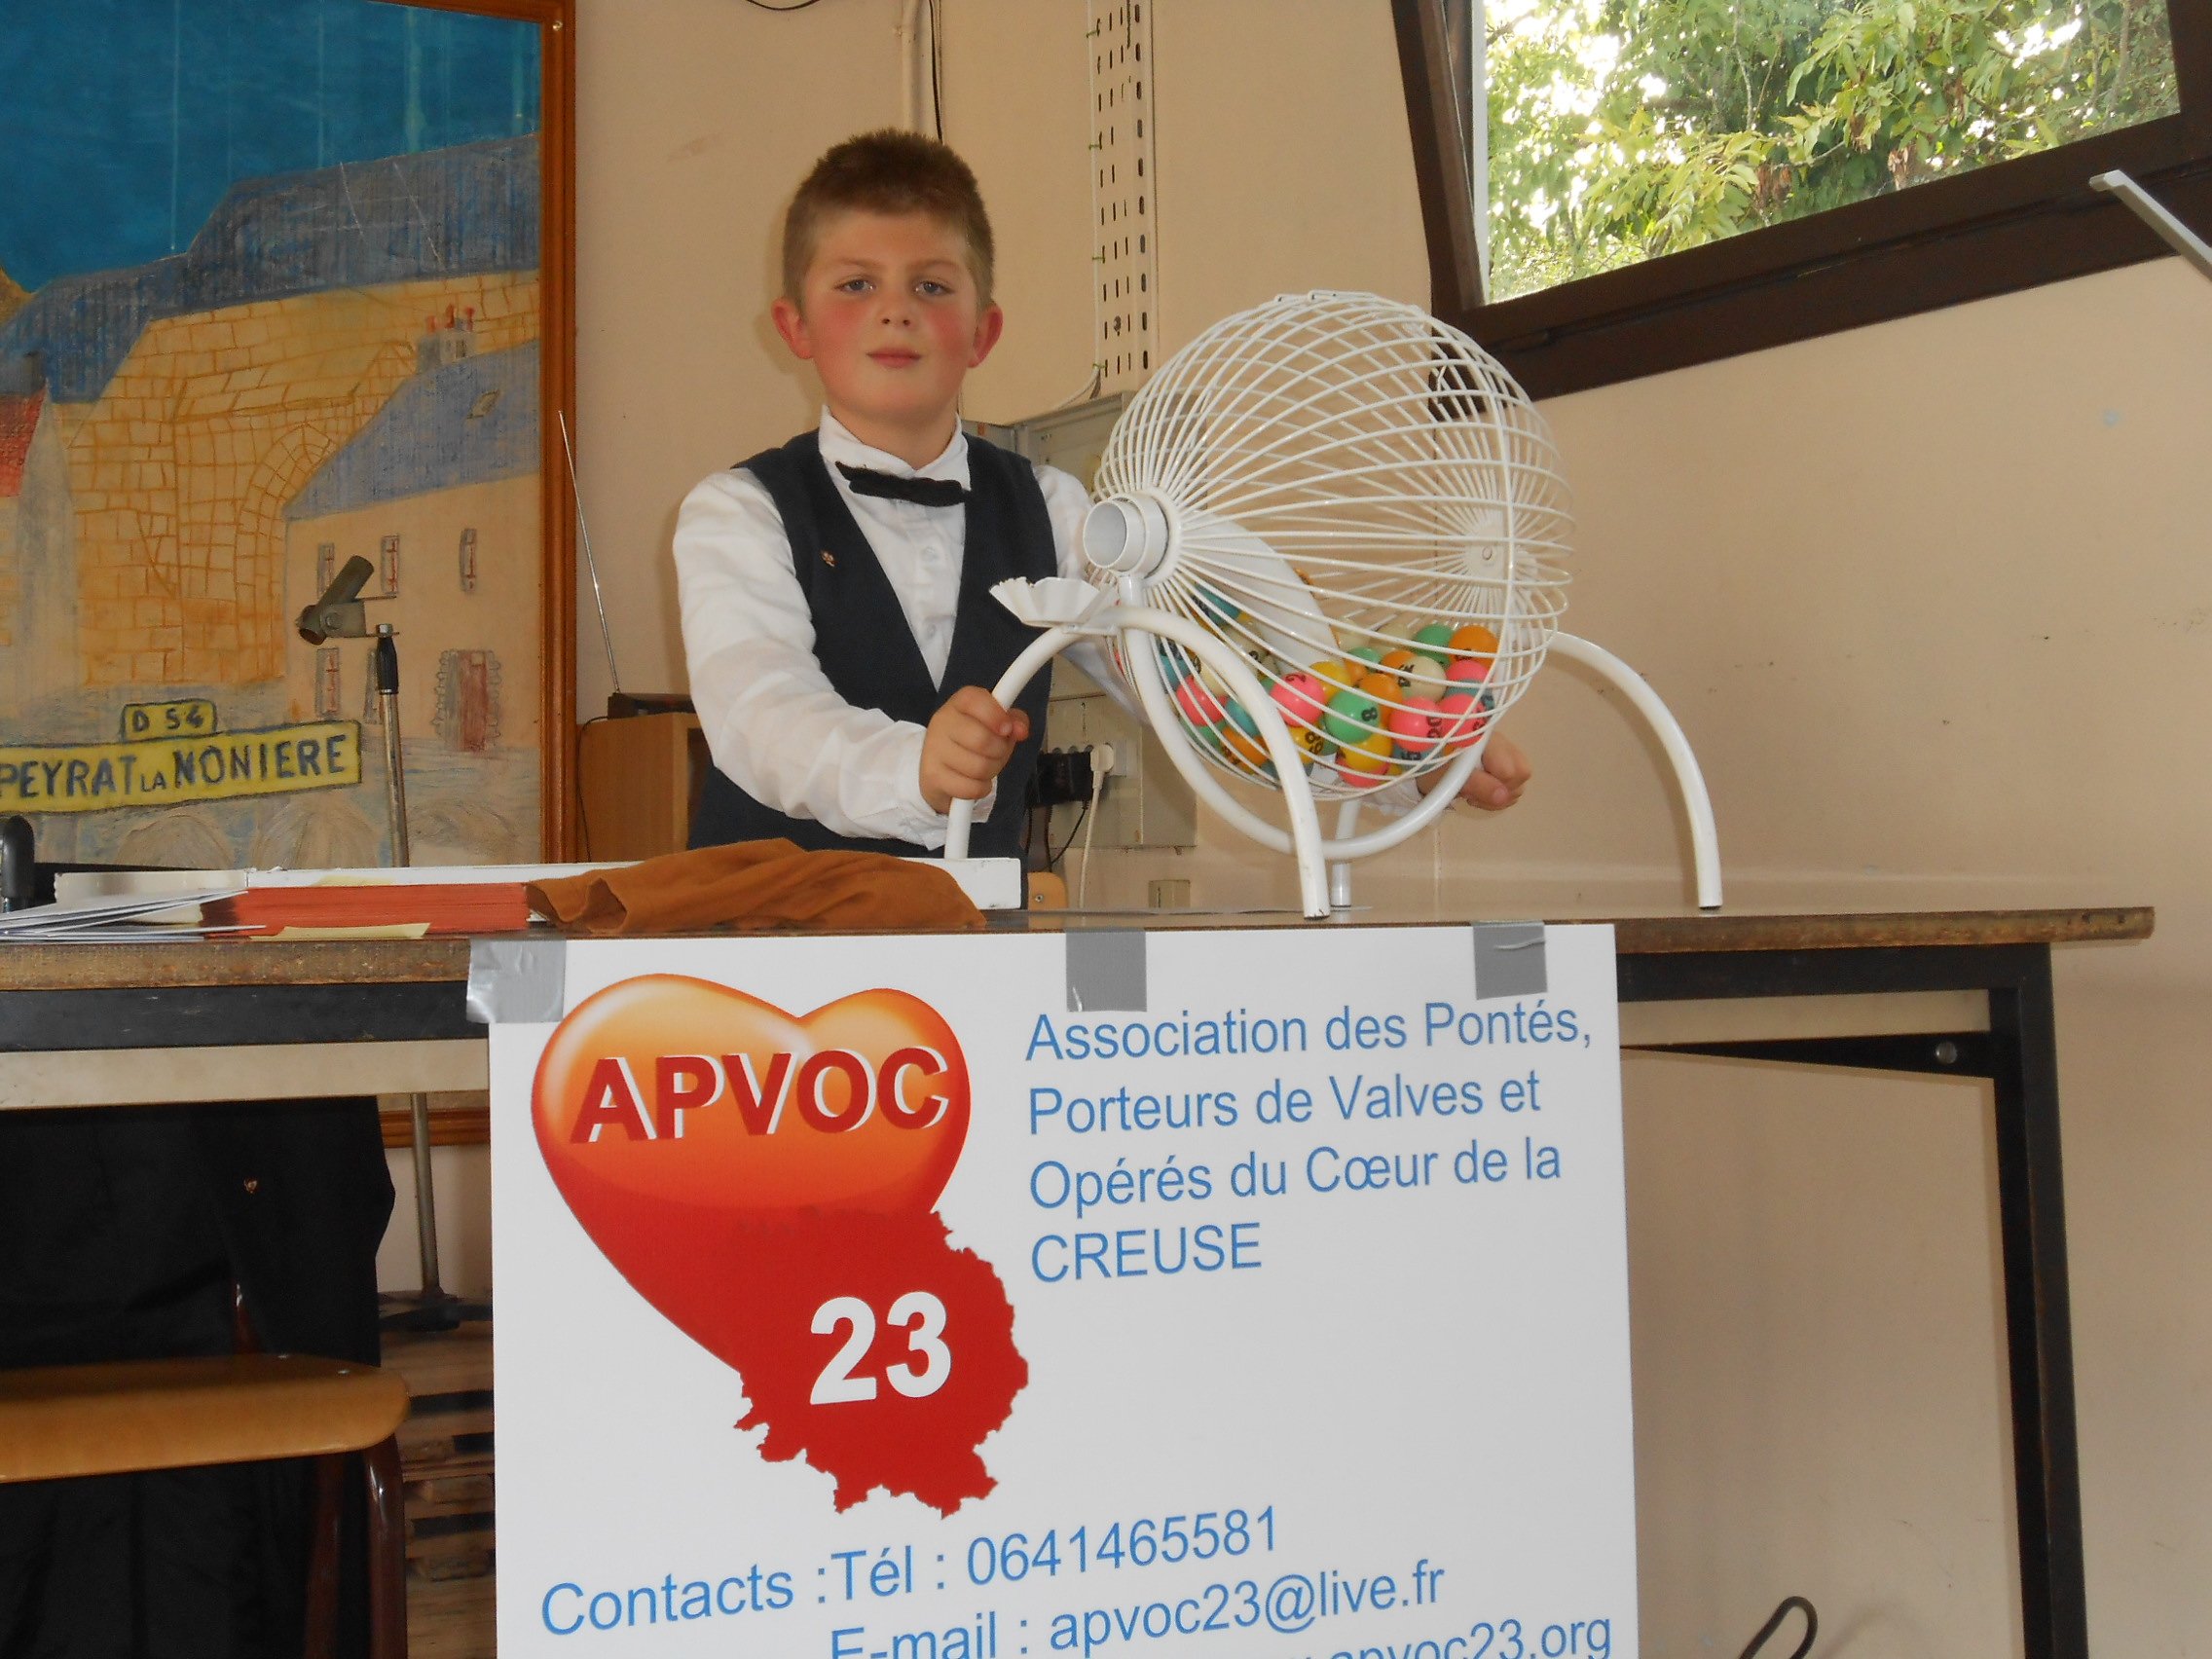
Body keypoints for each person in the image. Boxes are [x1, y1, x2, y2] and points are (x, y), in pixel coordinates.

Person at [675, 129, 1530, 864]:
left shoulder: (1056, 510)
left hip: (978, 952)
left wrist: (1407, 751)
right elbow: (761, 715)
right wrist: (912, 770)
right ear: (794, 326)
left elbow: (1199, 687)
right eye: (856, 284)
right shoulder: (737, 513)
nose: (895, 311)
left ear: (983, 332)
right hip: (769, 951)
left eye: (931, 285)